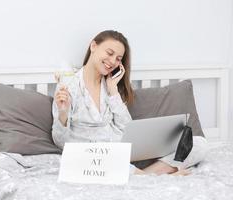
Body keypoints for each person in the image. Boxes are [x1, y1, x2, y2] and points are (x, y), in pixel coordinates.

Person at [52, 30, 207, 175]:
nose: (112, 61)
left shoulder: (110, 86)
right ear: (93, 46)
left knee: (198, 144)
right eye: (109, 53)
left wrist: (113, 90)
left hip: (122, 149)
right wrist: (63, 114)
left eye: (118, 59)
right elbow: (61, 142)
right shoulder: (68, 85)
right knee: (100, 164)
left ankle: (145, 174)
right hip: (95, 157)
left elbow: (127, 128)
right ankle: (154, 175)